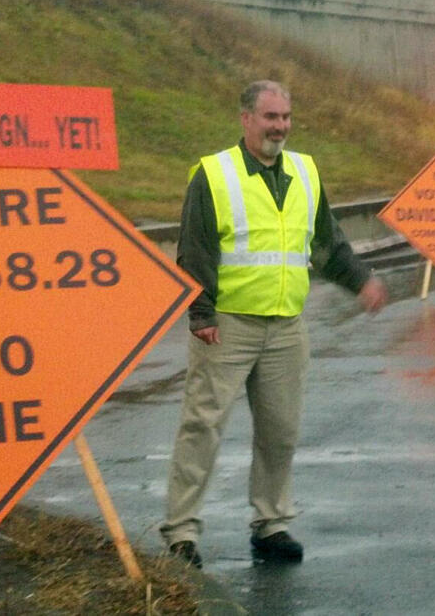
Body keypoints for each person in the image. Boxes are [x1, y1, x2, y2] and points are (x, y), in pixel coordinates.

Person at [161, 80, 388, 569]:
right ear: (246, 120)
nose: (280, 127)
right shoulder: (213, 174)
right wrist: (200, 314)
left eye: (285, 117)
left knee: (280, 431)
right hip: (227, 325)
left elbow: (326, 243)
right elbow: (194, 248)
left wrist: (361, 280)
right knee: (202, 427)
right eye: (270, 117)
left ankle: (272, 524)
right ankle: (181, 532)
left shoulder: (305, 171)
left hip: (286, 325)